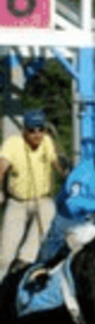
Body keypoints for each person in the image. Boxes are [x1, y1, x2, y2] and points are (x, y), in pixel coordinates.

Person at [27, 136, 95, 290]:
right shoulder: (82, 174)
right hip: (72, 219)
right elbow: (72, 204)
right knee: (83, 233)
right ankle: (39, 270)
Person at [0, 109, 66, 275]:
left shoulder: (47, 142)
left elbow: (57, 164)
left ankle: (25, 260)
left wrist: (66, 174)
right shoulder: (12, 143)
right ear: (24, 130)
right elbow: (1, 167)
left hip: (42, 199)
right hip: (18, 202)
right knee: (6, 249)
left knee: (49, 218)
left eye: (41, 129)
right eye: (32, 130)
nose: (37, 134)